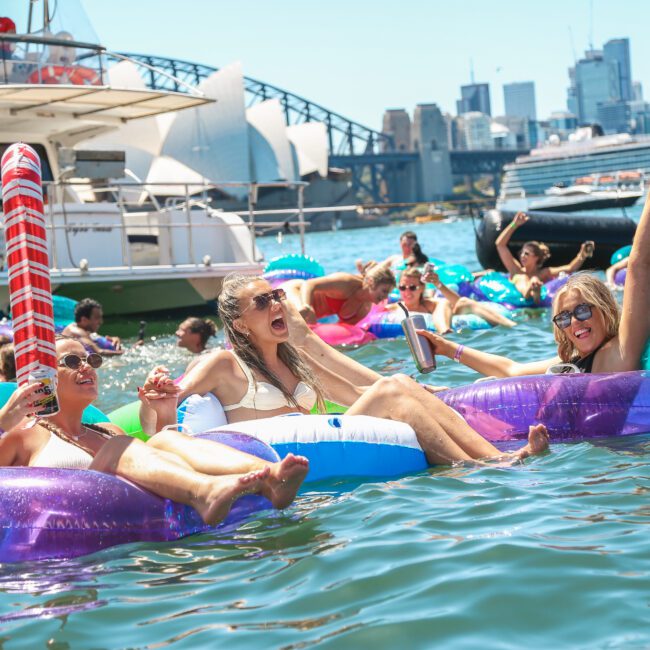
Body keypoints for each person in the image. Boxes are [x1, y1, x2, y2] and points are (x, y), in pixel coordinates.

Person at [145, 274, 549, 466]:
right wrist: (157, 395)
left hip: (321, 442)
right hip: (281, 455)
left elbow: (357, 395)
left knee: (400, 384)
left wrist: (434, 393)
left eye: (276, 297)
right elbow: (161, 413)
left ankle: (500, 456)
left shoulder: (294, 361)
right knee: (393, 388)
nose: (276, 306)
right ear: (238, 324)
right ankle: (484, 467)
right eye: (263, 303)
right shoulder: (223, 364)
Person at [0, 337, 309, 526]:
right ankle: (204, 492)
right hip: (72, 519)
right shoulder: (26, 433)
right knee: (119, 447)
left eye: (91, 359)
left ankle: (269, 475)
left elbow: (153, 464)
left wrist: (165, 411)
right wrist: (4, 421)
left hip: (130, 517)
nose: (87, 367)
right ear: (44, 378)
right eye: (71, 361)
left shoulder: (107, 430)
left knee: (161, 438)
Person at [418, 192, 650, 377]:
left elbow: (640, 265)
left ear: (605, 309)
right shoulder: (572, 362)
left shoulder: (623, 347)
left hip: (628, 438)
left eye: (582, 310)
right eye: (564, 318)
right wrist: (448, 349)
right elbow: (511, 370)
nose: (575, 322)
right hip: (591, 435)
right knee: (484, 381)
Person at [496, 211, 594, 303]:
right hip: (518, 300)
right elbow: (500, 245)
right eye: (521, 253)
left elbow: (570, 268)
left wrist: (582, 254)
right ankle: (531, 290)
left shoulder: (544, 273)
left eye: (527, 254)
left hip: (536, 303)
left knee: (533, 279)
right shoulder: (515, 269)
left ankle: (534, 290)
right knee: (521, 277)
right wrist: (514, 224)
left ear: (536, 258)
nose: (522, 256)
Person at [391, 267, 516, 332]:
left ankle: (510, 325)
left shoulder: (429, 303)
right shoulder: (395, 308)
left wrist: (438, 283)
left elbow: (457, 302)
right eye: (402, 287)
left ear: (421, 288)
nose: (407, 292)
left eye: (412, 287)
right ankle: (445, 331)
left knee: (462, 302)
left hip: (449, 321)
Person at [282, 263, 396, 325]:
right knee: (308, 318)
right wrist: (306, 306)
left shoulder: (364, 309)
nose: (385, 297)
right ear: (371, 282)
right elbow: (309, 284)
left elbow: (341, 329)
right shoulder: (346, 282)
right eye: (384, 291)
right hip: (295, 290)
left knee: (310, 323)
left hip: (310, 315)